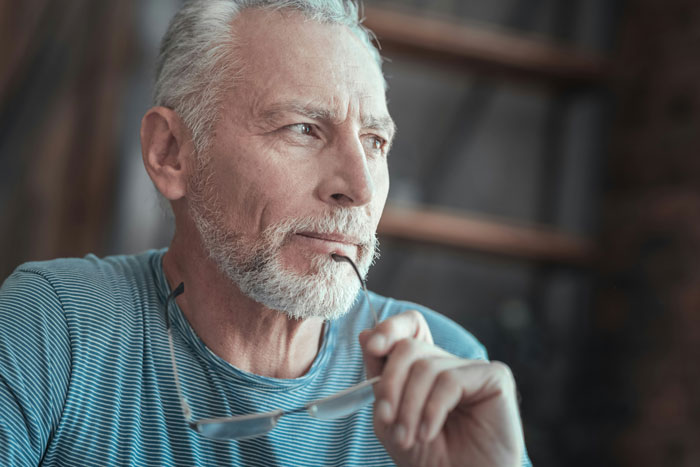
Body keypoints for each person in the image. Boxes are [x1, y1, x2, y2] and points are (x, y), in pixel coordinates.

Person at [0, 1, 531, 465]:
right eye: (303, 129)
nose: (360, 189)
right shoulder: (55, 327)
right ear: (170, 153)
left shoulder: (445, 374)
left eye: (373, 141)